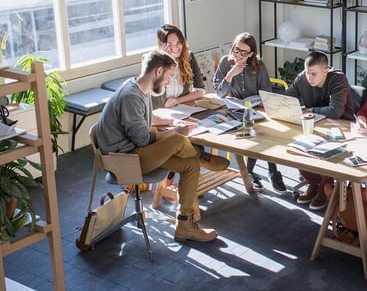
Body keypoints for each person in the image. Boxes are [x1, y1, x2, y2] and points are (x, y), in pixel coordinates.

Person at [96, 49, 230, 243]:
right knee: (177, 141)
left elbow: (145, 122)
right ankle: (202, 157)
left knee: (190, 165)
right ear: (158, 71)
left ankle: (185, 224)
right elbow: (143, 140)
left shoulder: (139, 89)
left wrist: (174, 126)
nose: (169, 82)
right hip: (124, 161)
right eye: (168, 76)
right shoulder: (130, 96)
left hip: (133, 152)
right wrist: (174, 133)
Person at [213, 32, 286, 192]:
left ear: (251, 53)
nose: (238, 55)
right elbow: (219, 93)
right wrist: (230, 74)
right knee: (251, 130)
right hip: (234, 111)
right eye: (236, 50)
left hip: (257, 109)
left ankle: (264, 171)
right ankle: (257, 171)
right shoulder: (226, 62)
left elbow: (266, 93)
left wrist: (258, 102)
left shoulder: (259, 66)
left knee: (262, 131)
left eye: (243, 52)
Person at [285, 51, 354, 210]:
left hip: (342, 126)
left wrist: (309, 109)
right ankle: (313, 184)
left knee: (322, 149)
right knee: (297, 145)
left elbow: (336, 111)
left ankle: (326, 187)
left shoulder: (337, 78)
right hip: (315, 124)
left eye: (314, 74)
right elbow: (288, 98)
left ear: (325, 70)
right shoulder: (303, 77)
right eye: (307, 73)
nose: (309, 77)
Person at [153, 24, 206, 191]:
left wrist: (178, 100)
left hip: (183, 110)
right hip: (161, 117)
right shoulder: (155, 64)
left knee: (199, 131)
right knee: (182, 139)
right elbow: (153, 97)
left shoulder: (188, 58)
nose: (176, 48)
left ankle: (191, 173)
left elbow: (201, 91)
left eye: (179, 43)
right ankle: (178, 174)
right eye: (170, 44)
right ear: (162, 45)